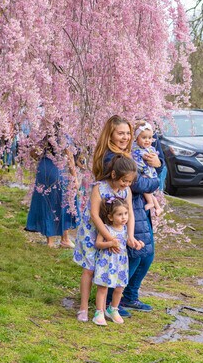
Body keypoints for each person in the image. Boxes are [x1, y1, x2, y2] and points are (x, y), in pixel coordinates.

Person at [96, 116, 160, 317]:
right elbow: (139, 183)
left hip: (134, 208)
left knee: (145, 254)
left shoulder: (127, 154)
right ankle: (113, 299)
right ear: (111, 135)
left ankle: (128, 295)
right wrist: (156, 176)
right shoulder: (112, 158)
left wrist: (157, 165)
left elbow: (140, 178)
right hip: (123, 211)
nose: (125, 137)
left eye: (127, 133)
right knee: (135, 255)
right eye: (120, 133)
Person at [73, 154, 140, 322]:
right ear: (113, 175)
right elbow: (95, 215)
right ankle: (83, 307)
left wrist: (130, 236)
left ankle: (103, 309)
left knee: (108, 266)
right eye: (124, 180)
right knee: (89, 268)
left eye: (130, 182)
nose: (126, 184)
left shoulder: (126, 191)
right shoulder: (99, 188)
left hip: (115, 234)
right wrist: (109, 238)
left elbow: (130, 213)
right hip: (93, 231)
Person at [25, 124, 79, 248]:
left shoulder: (42, 136)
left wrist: (44, 157)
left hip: (44, 168)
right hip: (59, 170)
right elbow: (70, 157)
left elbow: (33, 153)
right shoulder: (63, 135)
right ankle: (64, 239)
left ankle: (50, 241)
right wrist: (74, 177)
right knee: (63, 203)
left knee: (47, 204)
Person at [92, 196, 130, 326]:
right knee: (103, 288)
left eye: (126, 213)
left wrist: (136, 244)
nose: (124, 217)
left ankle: (113, 309)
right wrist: (109, 243)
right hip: (107, 262)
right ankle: (99, 312)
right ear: (110, 217)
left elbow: (126, 243)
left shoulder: (125, 229)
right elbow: (98, 244)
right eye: (120, 214)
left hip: (121, 263)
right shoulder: (106, 228)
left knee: (120, 288)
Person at [131, 121, 163, 216]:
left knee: (146, 189)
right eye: (144, 138)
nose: (147, 140)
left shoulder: (149, 149)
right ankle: (157, 207)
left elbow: (152, 157)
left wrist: (157, 161)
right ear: (136, 138)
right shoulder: (136, 147)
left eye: (150, 138)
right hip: (143, 172)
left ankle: (152, 203)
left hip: (147, 172)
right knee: (148, 191)